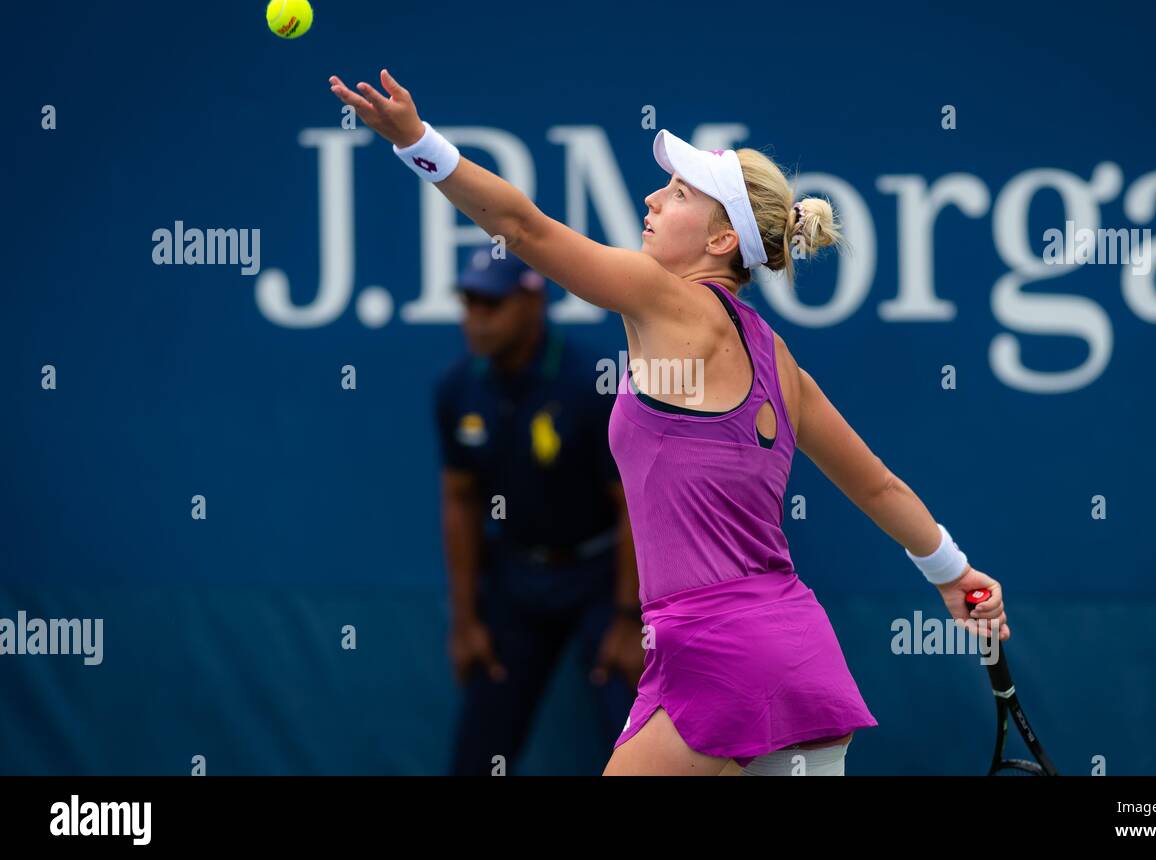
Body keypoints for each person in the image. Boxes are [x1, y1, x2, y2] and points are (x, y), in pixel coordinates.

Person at [330, 68, 1012, 776]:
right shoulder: (781, 363)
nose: (653, 198)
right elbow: (880, 488)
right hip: (798, 653)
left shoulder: (660, 298)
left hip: (716, 655)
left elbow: (521, 227)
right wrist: (954, 574)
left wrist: (417, 140)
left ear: (721, 242)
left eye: (680, 193)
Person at [434, 245, 642, 775]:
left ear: (533, 304)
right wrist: (465, 620)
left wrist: (628, 619)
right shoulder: (458, 390)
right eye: (469, 303)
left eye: (492, 304)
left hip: (601, 580)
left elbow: (633, 510)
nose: (476, 319)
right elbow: (460, 502)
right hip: (516, 581)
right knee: (478, 753)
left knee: (637, 744)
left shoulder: (591, 384)